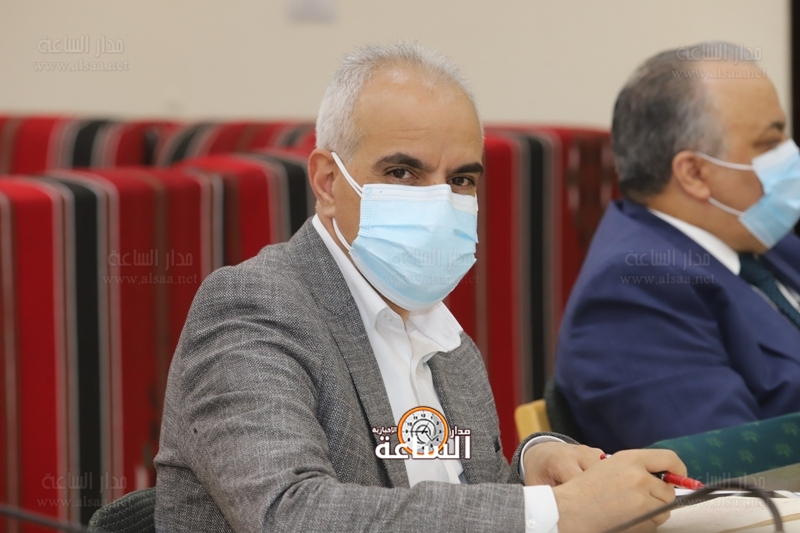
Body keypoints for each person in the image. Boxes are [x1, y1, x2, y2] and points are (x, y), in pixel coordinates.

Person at [154, 42, 684, 533]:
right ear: (327, 182)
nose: (438, 201)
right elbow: (289, 512)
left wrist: (533, 466)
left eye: (460, 180)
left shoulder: (440, 332)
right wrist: (557, 511)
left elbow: (450, 501)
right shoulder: (253, 309)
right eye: (403, 172)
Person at [556, 41, 800, 453]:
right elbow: (734, 467)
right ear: (694, 174)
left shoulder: (759, 238)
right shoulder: (631, 292)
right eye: (770, 143)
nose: (789, 156)